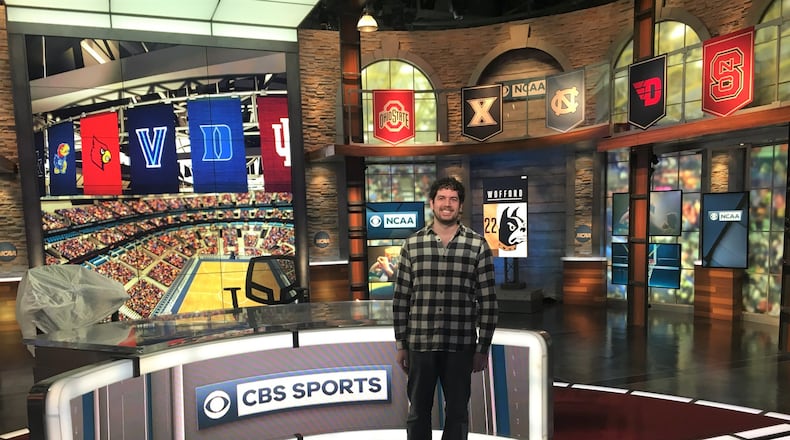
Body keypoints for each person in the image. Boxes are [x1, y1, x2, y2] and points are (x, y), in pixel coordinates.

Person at [393, 176, 498, 440]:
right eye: (442, 198)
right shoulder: (412, 244)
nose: (447, 204)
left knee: (458, 414)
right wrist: (401, 344)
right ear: (432, 203)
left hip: (460, 346)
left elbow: (488, 301)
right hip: (420, 345)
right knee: (418, 411)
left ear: (460, 205)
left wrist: (482, 348)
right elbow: (401, 298)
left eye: (453, 199)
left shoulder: (477, 245)